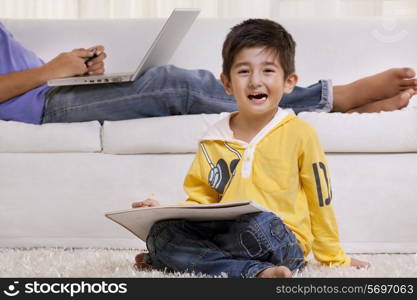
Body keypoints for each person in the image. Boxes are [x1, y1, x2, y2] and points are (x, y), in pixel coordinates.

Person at [131, 18, 370, 278]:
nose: (255, 81)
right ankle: (256, 272)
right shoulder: (214, 139)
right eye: (244, 71)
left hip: (279, 239)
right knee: (162, 234)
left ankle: (186, 259)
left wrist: (333, 258)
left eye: (268, 71)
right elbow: (200, 203)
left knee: (256, 224)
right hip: (227, 234)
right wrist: (160, 212)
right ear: (227, 83)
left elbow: (320, 200)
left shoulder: (301, 134)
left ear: (289, 82)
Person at [0, 21, 416, 124]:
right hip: (43, 107)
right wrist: (52, 71)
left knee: (168, 80)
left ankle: (336, 112)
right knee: (173, 84)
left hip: (52, 91)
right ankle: (334, 99)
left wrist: (73, 70)